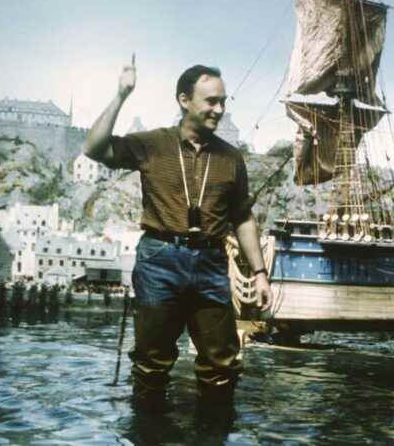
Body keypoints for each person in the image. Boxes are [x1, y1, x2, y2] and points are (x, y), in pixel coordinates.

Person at [84, 58, 273, 410]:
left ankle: (212, 434)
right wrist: (121, 94)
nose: (219, 109)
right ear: (184, 100)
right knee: (151, 365)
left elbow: (243, 219)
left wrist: (260, 274)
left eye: (223, 101)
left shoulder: (231, 158)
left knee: (222, 364)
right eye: (211, 101)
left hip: (211, 264)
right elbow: (94, 148)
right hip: (160, 260)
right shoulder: (153, 144)